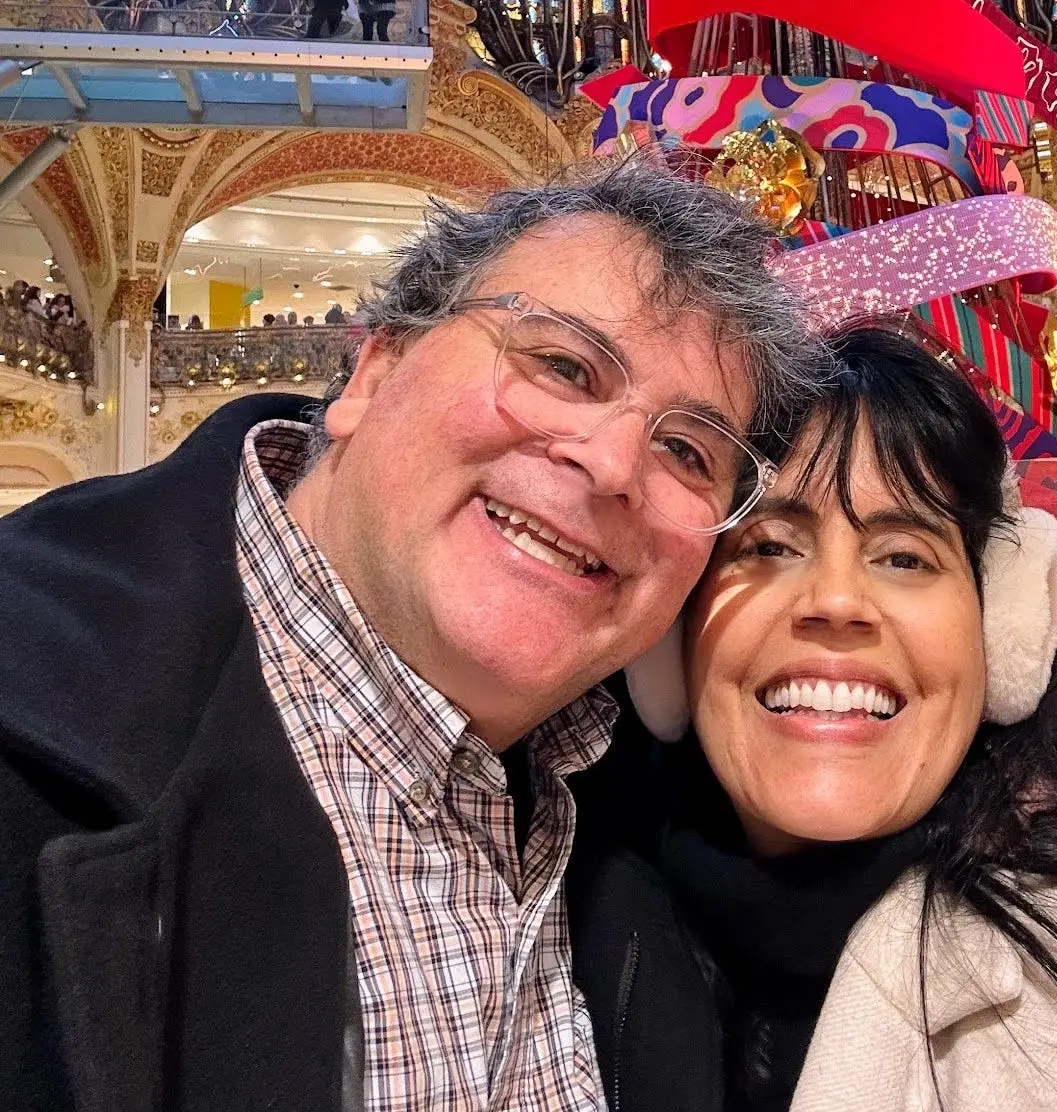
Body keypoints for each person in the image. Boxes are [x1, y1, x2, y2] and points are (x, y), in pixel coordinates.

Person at [0, 160, 824, 1112]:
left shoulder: (641, 802)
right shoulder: (32, 722)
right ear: (373, 370)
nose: (612, 466)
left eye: (688, 451)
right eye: (561, 365)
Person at [569, 325, 1057, 1112]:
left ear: (1003, 635)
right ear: (669, 640)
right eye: (770, 545)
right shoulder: (538, 944)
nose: (838, 602)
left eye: (904, 557)